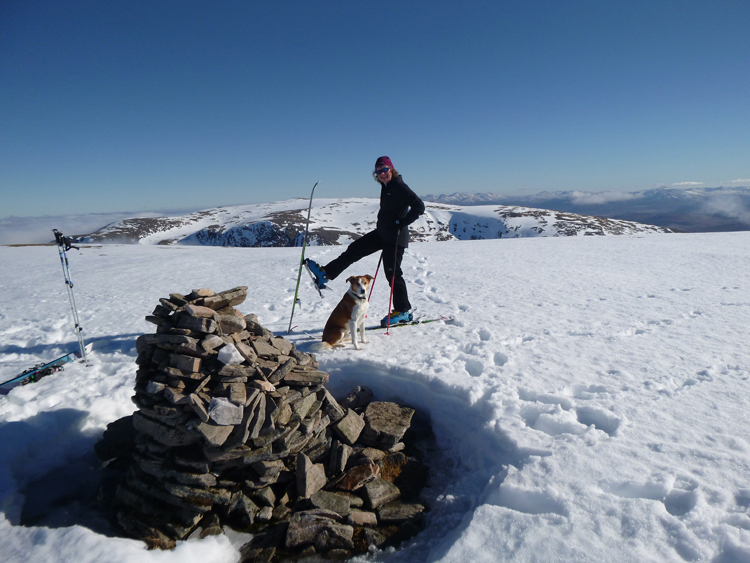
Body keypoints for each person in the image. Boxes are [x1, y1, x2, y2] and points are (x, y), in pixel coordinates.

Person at [306, 156, 425, 327]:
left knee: (392, 274)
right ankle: (326, 274)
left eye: (385, 169)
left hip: (396, 238)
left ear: (391, 169)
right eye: (378, 171)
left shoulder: (399, 187)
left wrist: (401, 222)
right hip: (382, 233)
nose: (382, 173)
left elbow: (419, 207)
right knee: (355, 249)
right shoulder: (386, 186)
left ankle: (403, 311)